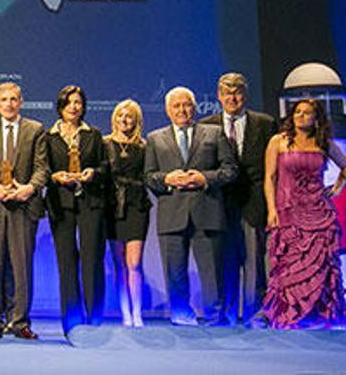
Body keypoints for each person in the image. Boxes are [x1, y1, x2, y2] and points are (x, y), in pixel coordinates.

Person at [144, 87, 238, 325]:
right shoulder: (155, 138)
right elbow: (148, 176)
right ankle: (181, 316)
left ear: (194, 108)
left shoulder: (214, 133)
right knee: (174, 271)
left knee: (211, 272)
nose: (182, 110)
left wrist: (204, 178)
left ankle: (215, 317)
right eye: (176, 106)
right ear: (167, 110)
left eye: (186, 105)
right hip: (172, 214)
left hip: (207, 212)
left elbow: (230, 170)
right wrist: (167, 179)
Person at [262, 99, 346, 329]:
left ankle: (318, 317)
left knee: (321, 266)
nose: (302, 117)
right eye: (298, 112)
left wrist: (337, 188)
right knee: (290, 267)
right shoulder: (278, 142)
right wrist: (271, 209)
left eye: (307, 113)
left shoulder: (323, 143)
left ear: (316, 117)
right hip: (287, 211)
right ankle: (290, 315)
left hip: (319, 213)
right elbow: (270, 178)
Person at [0, 82, 47, 340]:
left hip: (23, 207)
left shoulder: (35, 130)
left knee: (21, 267)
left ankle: (20, 321)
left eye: (14, 99)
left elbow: (42, 168)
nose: (9, 104)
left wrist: (29, 188)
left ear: (21, 102)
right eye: (4, 99)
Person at [200, 73, 278, 326]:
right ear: (219, 96)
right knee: (224, 260)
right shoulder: (206, 126)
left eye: (237, 92)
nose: (232, 97)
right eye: (227, 92)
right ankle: (227, 315)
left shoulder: (265, 124)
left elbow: (273, 168)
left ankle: (255, 315)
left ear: (245, 94)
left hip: (253, 202)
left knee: (255, 261)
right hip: (219, 204)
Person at [39, 86, 108, 334]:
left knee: (92, 261)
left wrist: (93, 173)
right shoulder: (48, 137)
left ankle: (95, 320)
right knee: (67, 263)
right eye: (69, 102)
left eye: (78, 102)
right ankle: (72, 322)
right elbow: (42, 170)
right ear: (61, 106)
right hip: (61, 204)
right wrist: (55, 177)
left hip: (91, 203)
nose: (74, 107)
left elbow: (104, 167)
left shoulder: (94, 135)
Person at [105, 99, 150, 328]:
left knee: (134, 263)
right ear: (114, 118)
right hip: (113, 207)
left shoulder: (144, 146)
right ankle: (125, 313)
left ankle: (137, 313)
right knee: (119, 263)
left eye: (129, 116)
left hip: (136, 206)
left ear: (136, 120)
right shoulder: (105, 144)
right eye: (120, 115)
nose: (124, 119)